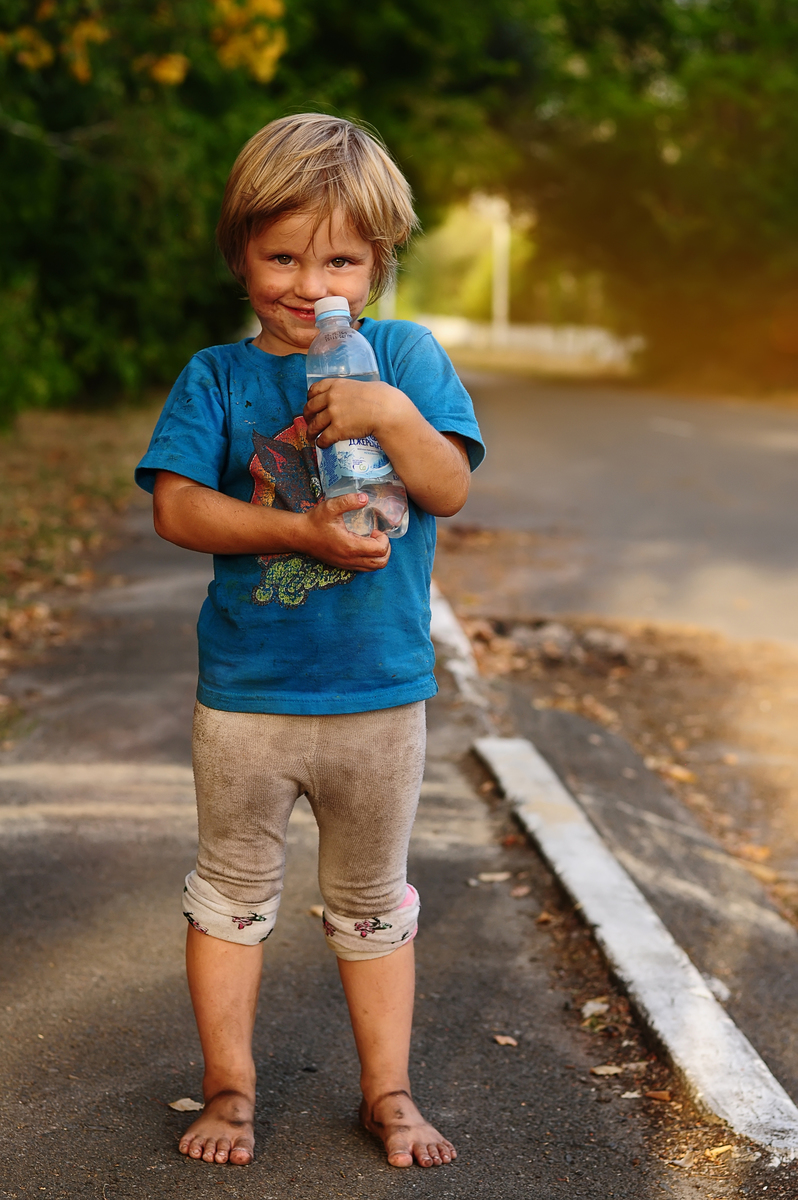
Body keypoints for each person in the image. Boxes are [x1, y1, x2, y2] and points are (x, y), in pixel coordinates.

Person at [135, 112, 485, 1170]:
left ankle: (389, 1092)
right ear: (240, 253)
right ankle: (231, 1089)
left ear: (378, 265)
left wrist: (385, 411)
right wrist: (298, 530)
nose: (307, 282)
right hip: (246, 697)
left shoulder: (409, 359)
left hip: (378, 696)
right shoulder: (219, 378)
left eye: (338, 258)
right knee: (232, 894)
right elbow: (178, 510)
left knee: (373, 906)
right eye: (281, 255)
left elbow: (449, 487)